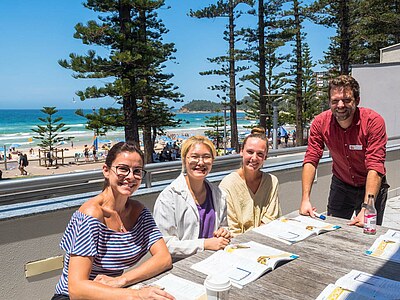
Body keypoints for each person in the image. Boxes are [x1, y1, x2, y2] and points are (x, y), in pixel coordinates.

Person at [52, 142, 174, 300]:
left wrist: (121, 280)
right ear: (106, 171)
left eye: (137, 171)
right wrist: (137, 295)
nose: (130, 176)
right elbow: (76, 288)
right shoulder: (91, 215)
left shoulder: (139, 213)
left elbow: (164, 258)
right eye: (123, 169)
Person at [300, 75, 389, 227]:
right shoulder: (320, 123)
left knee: (368, 232)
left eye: (347, 100)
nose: (340, 105)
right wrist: (305, 199)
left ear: (357, 101)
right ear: (329, 102)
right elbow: (311, 158)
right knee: (333, 231)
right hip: (341, 185)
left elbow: (375, 165)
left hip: (372, 187)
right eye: (335, 101)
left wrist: (367, 207)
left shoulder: (374, 122)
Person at [153, 135, 231, 260]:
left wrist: (224, 232)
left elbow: (224, 226)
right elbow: (164, 245)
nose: (200, 162)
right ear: (184, 160)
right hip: (181, 267)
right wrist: (204, 244)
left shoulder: (219, 194)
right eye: (194, 157)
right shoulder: (169, 198)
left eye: (206, 157)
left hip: (214, 261)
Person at [219, 127, 282, 236]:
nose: (254, 158)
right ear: (241, 151)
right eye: (250, 152)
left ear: (265, 157)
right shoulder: (227, 185)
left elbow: (271, 219)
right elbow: (232, 229)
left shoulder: (271, 181)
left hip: (266, 239)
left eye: (260, 154)